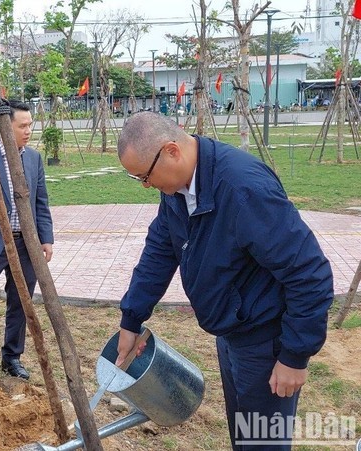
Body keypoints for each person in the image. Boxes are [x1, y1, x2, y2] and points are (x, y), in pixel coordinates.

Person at [115, 112, 334, 450]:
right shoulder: (178, 189)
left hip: (267, 342)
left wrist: (294, 356)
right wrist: (131, 318)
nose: (146, 185)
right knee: (245, 438)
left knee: (263, 442)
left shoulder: (244, 189)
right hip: (233, 333)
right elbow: (160, 250)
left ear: (172, 151)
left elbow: (309, 273)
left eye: (145, 176)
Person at [0, 101, 54, 380]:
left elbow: (41, 202)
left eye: (30, 125)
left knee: (21, 301)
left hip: (25, 245)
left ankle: (11, 357)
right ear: (5, 128)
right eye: (23, 126)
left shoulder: (33, 159)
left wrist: (46, 238)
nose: (28, 130)